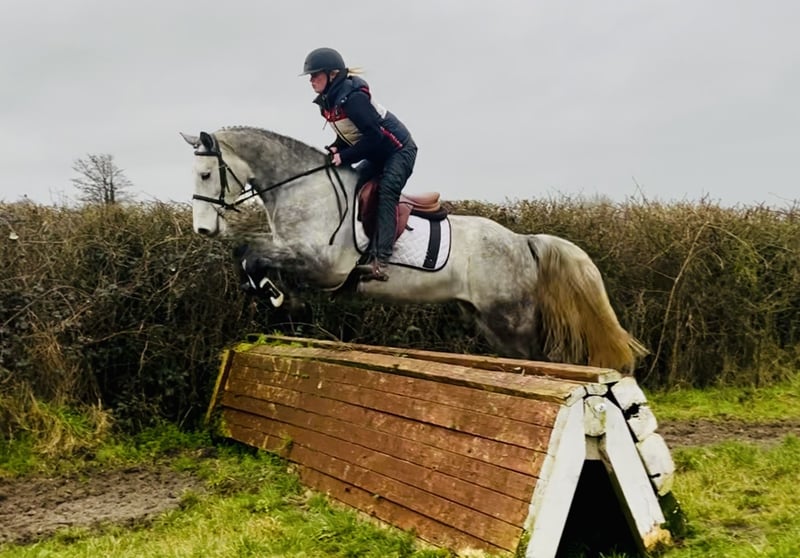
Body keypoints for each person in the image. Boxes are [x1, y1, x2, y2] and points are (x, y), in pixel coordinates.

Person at [301, 47, 417, 281]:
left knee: (386, 191)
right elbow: (350, 134)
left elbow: (375, 137)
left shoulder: (353, 99)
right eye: (310, 76)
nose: (311, 80)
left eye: (315, 75)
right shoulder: (329, 101)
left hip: (399, 151)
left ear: (332, 74)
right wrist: (337, 147)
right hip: (378, 153)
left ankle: (382, 259)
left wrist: (344, 157)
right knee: (348, 186)